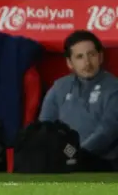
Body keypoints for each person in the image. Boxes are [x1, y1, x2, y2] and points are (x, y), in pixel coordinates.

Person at [39, 30, 118, 171]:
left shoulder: (114, 87)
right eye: (80, 57)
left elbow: (107, 131)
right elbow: (45, 126)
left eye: (91, 55)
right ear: (70, 62)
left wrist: (76, 154)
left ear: (100, 57)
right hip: (61, 161)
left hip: (101, 163)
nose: (87, 62)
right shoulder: (59, 87)